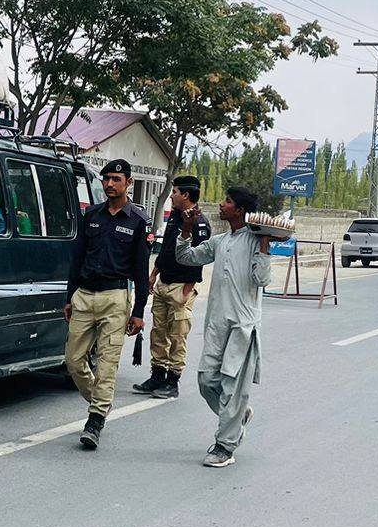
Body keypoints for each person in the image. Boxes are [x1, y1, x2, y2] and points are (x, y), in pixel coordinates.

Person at [174, 186, 273, 468]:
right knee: (207, 380)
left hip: (242, 326)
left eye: (227, 202)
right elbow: (187, 258)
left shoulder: (254, 240)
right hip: (217, 323)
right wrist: (186, 230)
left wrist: (264, 246)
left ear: (239, 210)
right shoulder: (220, 241)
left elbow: (262, 280)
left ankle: (225, 446)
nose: (221, 204)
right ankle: (236, 416)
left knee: (232, 387)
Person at [64, 159, 150, 449]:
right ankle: (102, 400)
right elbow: (77, 259)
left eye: (116, 179)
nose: (110, 184)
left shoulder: (138, 221)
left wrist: (138, 312)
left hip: (116, 298)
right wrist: (69, 297)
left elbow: (140, 272)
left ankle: (95, 419)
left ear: (129, 182)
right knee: (74, 361)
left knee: (107, 364)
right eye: (106, 179)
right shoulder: (91, 215)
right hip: (84, 296)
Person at [134, 176, 212, 399]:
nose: (171, 195)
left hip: (181, 288)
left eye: (175, 192)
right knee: (158, 332)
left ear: (185, 195)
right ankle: (157, 376)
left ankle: (172, 381)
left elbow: (201, 257)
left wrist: (188, 289)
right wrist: (153, 275)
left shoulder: (199, 223)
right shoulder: (176, 217)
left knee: (177, 335)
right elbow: (167, 249)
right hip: (163, 282)